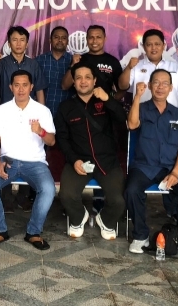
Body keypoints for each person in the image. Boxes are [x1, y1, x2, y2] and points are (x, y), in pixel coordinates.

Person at [125, 70, 178, 256]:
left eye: (165, 83)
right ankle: (140, 235)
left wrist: (175, 173)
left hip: (170, 168)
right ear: (150, 86)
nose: (160, 87)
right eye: (156, 82)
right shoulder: (142, 108)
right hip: (144, 166)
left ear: (171, 88)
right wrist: (137, 97)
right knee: (132, 190)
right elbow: (132, 125)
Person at [0, 70, 56, 250]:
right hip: (8, 159)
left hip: (35, 162)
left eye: (25, 85)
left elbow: (51, 141)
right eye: (17, 85)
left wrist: (41, 131)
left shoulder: (42, 111)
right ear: (11, 87)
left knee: (48, 189)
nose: (21, 89)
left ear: (31, 87)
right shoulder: (2, 110)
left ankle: (34, 232)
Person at [56, 63, 127, 240]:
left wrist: (108, 99)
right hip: (78, 161)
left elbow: (123, 119)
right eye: (78, 78)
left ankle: (106, 220)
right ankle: (79, 217)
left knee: (118, 201)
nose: (83, 81)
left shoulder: (105, 101)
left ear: (94, 80)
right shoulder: (66, 107)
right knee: (66, 195)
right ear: (73, 82)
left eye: (87, 77)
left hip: (107, 162)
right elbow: (62, 139)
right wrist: (74, 160)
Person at [118, 29, 178, 121]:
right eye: (149, 45)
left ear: (163, 46)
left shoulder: (176, 68)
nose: (153, 48)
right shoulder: (136, 66)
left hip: (171, 119)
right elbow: (122, 86)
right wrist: (128, 68)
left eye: (157, 44)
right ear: (144, 47)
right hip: (142, 118)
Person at [0, 26, 47, 105]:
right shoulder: (2, 63)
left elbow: (39, 90)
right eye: (15, 40)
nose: (18, 44)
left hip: (29, 109)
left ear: (27, 44)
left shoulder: (33, 64)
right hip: (7, 108)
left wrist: (42, 110)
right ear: (9, 44)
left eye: (22, 40)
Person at [61, 25, 122, 97]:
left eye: (98, 37)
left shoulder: (113, 61)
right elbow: (64, 86)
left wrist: (111, 102)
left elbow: (122, 88)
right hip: (81, 104)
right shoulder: (79, 59)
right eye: (91, 37)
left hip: (104, 103)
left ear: (104, 39)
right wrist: (73, 65)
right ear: (86, 39)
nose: (94, 41)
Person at [36, 26, 72, 118]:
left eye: (63, 38)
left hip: (67, 114)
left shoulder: (73, 62)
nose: (60, 40)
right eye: (56, 37)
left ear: (67, 41)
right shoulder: (39, 61)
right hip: (43, 113)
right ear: (50, 40)